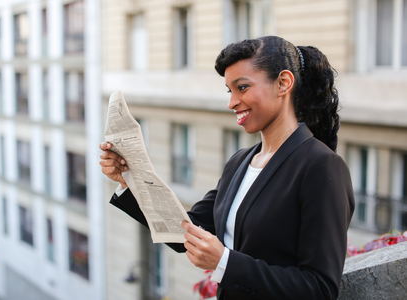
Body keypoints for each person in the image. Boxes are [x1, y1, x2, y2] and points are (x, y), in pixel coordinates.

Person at [99, 36, 355, 300]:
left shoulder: (321, 166)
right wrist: (130, 180)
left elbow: (320, 289)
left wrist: (225, 262)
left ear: (283, 83)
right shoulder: (240, 162)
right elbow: (188, 229)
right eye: (229, 91)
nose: (231, 102)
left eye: (242, 88)